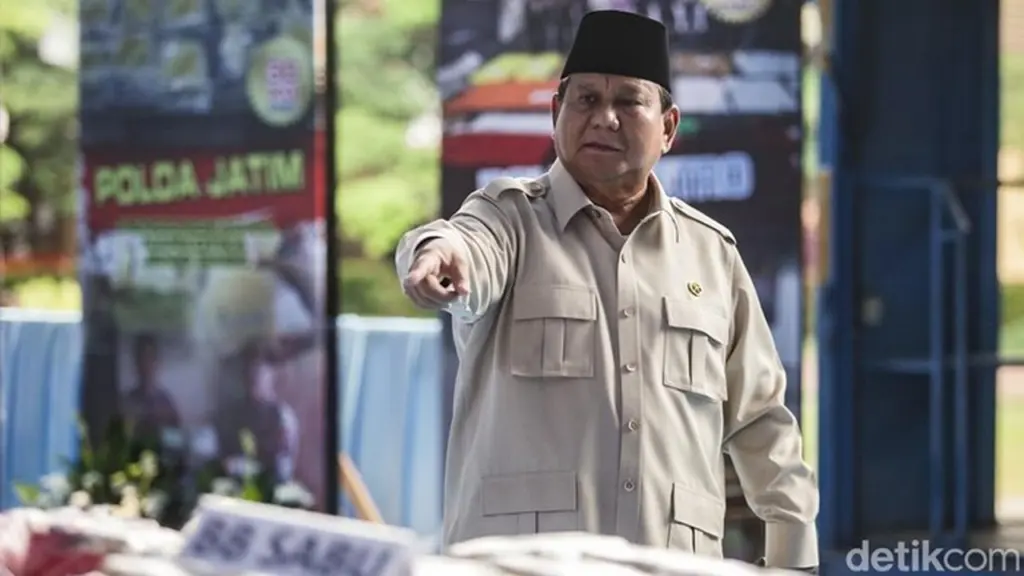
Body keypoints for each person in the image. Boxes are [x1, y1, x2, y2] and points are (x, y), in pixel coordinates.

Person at [395, 10, 818, 572]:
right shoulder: (511, 219)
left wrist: (793, 560)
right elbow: (465, 241)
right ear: (556, 114)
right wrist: (435, 254)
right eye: (587, 100)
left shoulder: (712, 255)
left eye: (628, 102)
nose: (605, 118)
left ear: (668, 128)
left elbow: (762, 422)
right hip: (522, 565)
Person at [122, 334, 181, 441]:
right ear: (135, 362)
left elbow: (175, 441)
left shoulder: (166, 405)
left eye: (149, 357)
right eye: (141, 358)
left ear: (156, 362)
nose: (145, 364)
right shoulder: (127, 403)